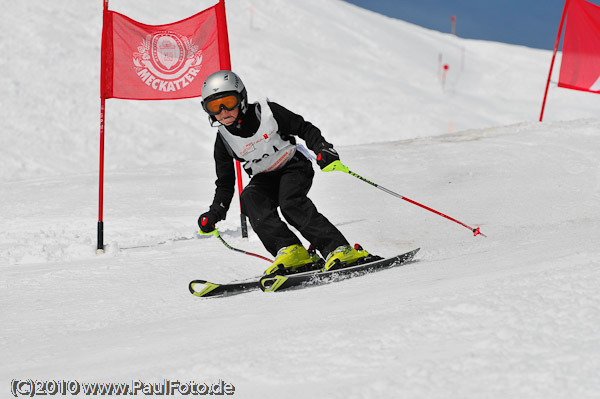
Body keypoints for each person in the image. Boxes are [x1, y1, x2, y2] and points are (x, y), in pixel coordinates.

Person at [197, 70, 368, 274]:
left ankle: (338, 248)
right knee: (250, 197)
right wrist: (215, 212)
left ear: (242, 98)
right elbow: (225, 183)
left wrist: (323, 148)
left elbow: (304, 128)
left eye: (228, 102)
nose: (223, 111)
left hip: (293, 165)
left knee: (290, 202)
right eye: (214, 106)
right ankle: (291, 250)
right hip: (264, 177)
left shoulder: (267, 112)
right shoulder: (224, 139)